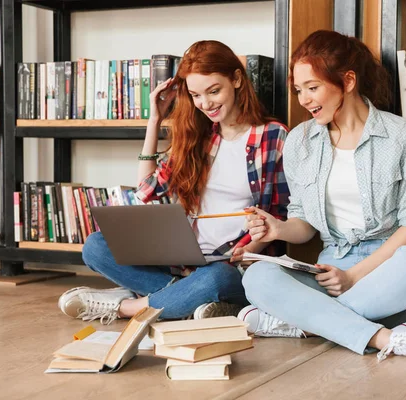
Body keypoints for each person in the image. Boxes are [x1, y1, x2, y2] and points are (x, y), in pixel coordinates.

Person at [239, 30, 406, 364]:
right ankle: (385, 337)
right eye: (298, 90)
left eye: (313, 87)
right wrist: (278, 230)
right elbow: (304, 223)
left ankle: (306, 323)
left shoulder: (400, 135)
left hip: (387, 271)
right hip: (329, 270)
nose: (304, 99)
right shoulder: (300, 141)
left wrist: (353, 277)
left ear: (347, 81)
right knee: (258, 277)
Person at [58, 40, 289, 325]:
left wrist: (248, 250)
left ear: (237, 79)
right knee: (95, 246)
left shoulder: (273, 136)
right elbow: (146, 190)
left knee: (215, 278)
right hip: (182, 262)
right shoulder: (199, 139)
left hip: (232, 265)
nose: (206, 104)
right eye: (195, 95)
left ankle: (126, 306)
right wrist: (154, 121)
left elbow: (279, 216)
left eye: (214, 91)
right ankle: (190, 302)